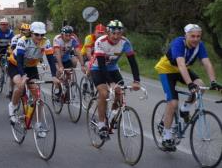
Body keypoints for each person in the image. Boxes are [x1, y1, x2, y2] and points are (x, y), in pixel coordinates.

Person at [155, 23, 222, 151]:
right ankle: (167, 137)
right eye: (193, 36)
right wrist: (190, 84)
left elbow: (207, 63)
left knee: (200, 86)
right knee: (173, 103)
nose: (196, 39)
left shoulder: (199, 46)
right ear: (186, 36)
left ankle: (185, 108)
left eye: (198, 36)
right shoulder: (178, 43)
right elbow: (180, 64)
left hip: (183, 70)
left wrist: (213, 81)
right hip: (167, 71)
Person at [7, 21, 60, 137]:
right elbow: (20, 60)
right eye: (37, 34)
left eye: (42, 35)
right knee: (20, 85)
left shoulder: (46, 42)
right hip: (16, 65)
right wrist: (22, 75)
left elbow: (51, 59)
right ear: (31, 33)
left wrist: (54, 76)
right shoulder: (23, 41)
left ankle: (38, 124)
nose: (39, 37)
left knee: (38, 96)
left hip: (31, 67)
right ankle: (13, 106)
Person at [90, 20, 141, 140]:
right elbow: (102, 66)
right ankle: (102, 124)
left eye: (119, 33)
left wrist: (137, 80)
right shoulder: (100, 42)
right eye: (113, 33)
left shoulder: (125, 42)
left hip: (112, 68)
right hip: (98, 68)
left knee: (120, 92)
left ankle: (112, 115)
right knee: (104, 93)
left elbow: (133, 62)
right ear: (108, 32)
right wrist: (111, 83)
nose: (116, 36)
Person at [7, 23, 31, 99]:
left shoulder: (30, 39)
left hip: (24, 58)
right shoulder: (15, 38)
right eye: (24, 30)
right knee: (12, 76)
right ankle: (11, 91)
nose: (26, 32)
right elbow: (14, 49)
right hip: (13, 56)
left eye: (28, 31)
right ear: (20, 31)